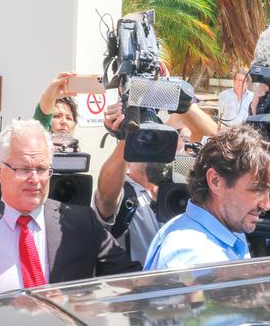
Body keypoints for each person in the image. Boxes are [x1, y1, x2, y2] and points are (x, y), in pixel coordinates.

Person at [0, 119, 141, 297]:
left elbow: (130, 282)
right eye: (23, 169)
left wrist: (78, 305)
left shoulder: (81, 223)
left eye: (41, 169)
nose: (35, 180)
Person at [144, 125, 270, 270]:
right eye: (258, 189)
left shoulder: (227, 227)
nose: (266, 205)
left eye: (269, 191)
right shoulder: (193, 257)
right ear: (215, 181)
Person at [93, 101, 218, 263]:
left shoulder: (182, 182)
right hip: (139, 286)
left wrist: (182, 100)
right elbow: (105, 195)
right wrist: (128, 133)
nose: (150, 146)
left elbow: (216, 142)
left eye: (158, 138)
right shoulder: (124, 193)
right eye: (141, 139)